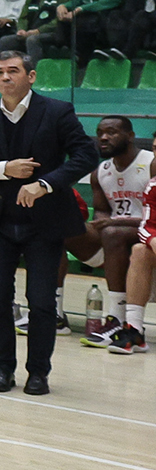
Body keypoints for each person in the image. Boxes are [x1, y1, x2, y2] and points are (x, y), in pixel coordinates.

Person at [0, 50, 96, 392]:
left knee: (40, 300)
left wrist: (45, 183)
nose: (5, 78)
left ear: (31, 76)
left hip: (44, 223)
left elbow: (86, 155)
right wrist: (4, 170)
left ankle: (39, 372)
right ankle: (2, 368)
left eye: (13, 71)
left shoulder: (57, 111)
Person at [71, 116, 151, 345]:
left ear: (131, 136)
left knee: (113, 232)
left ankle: (116, 316)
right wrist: (105, 221)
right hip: (114, 239)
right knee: (65, 229)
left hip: (146, 233)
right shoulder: (101, 171)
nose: (103, 138)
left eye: (112, 132)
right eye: (100, 132)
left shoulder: (151, 163)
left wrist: (116, 224)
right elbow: (102, 212)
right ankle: (54, 314)